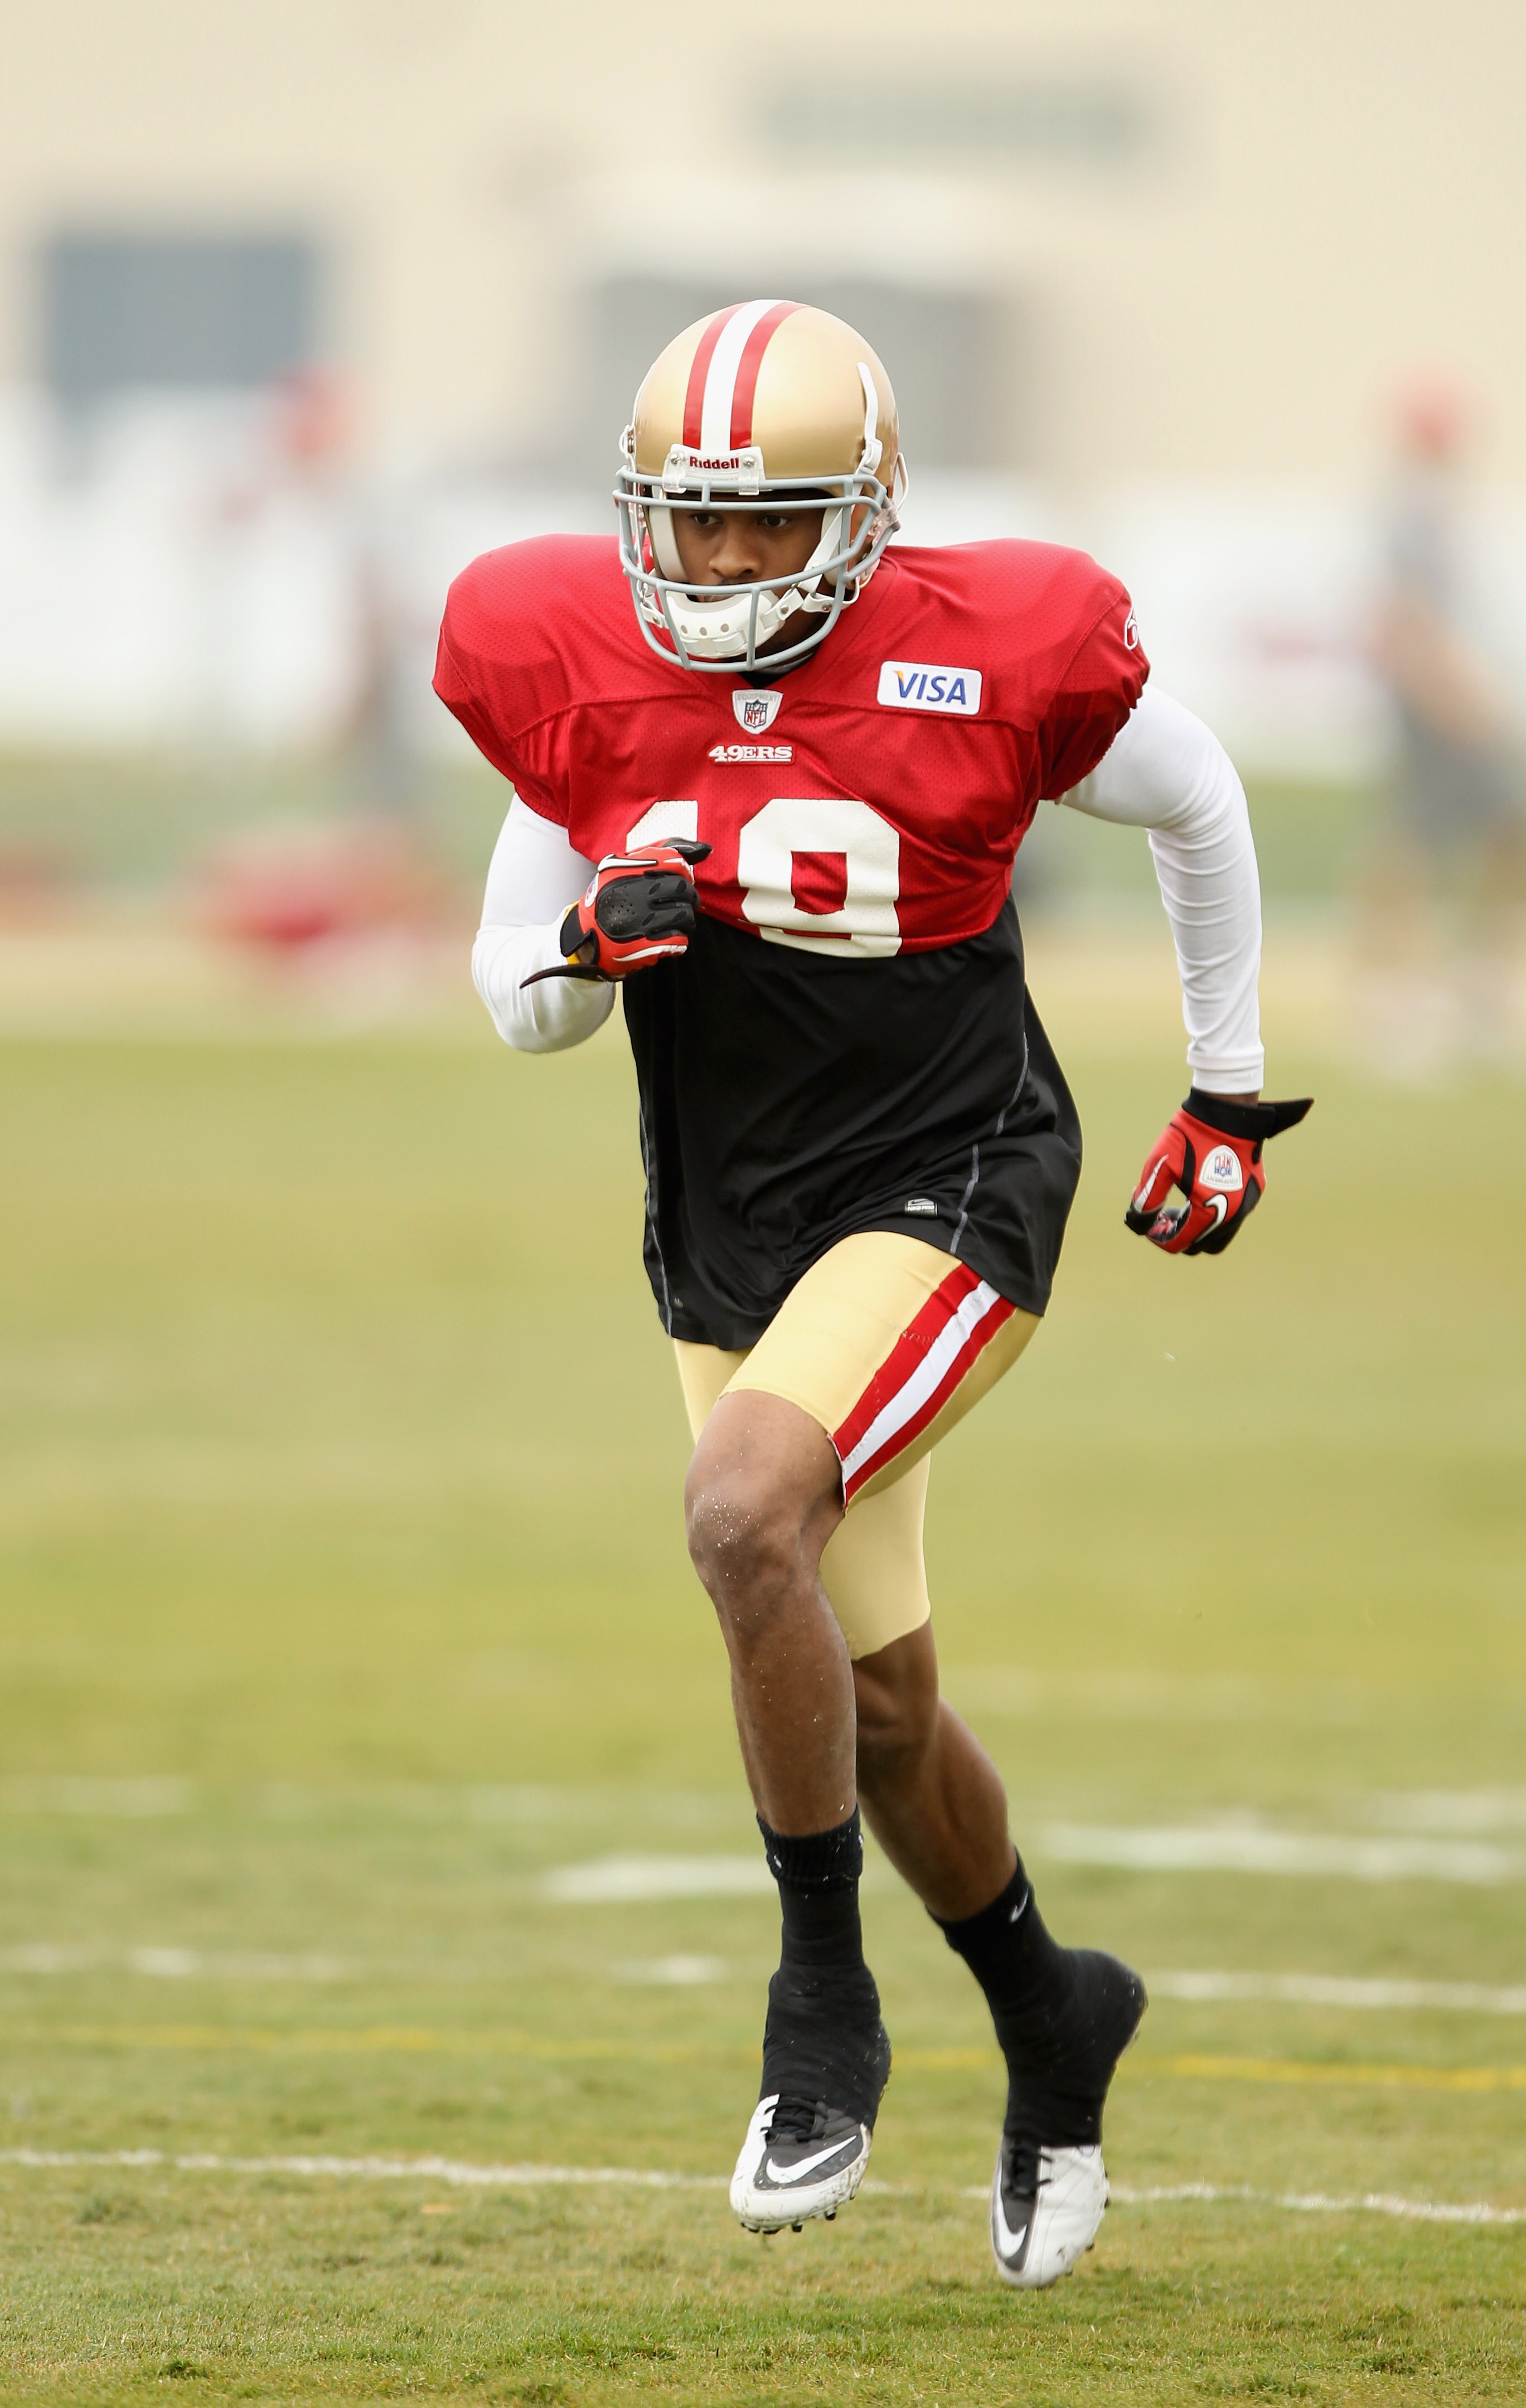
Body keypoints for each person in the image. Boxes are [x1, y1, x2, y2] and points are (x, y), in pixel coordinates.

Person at [435, 300, 1308, 2288]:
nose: (726, 560)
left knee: (740, 1510)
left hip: (952, 1174)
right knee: (886, 1707)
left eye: (770, 520)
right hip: (728, 1228)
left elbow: (1196, 797)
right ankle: (1053, 2013)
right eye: (695, 519)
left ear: (864, 512)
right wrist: (580, 948)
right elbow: (514, 995)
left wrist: (1226, 1092)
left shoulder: (977, 648)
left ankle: (818, 2009)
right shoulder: (581, 667)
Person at [1359, 381, 1526, 1074]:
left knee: (1498, 830)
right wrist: (1457, 699)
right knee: (1423, 838)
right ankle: (1397, 997)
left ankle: (1474, 987)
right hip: (1435, 699)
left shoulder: (1435, 511)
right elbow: (1408, 619)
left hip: (1448, 693)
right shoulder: (1412, 515)